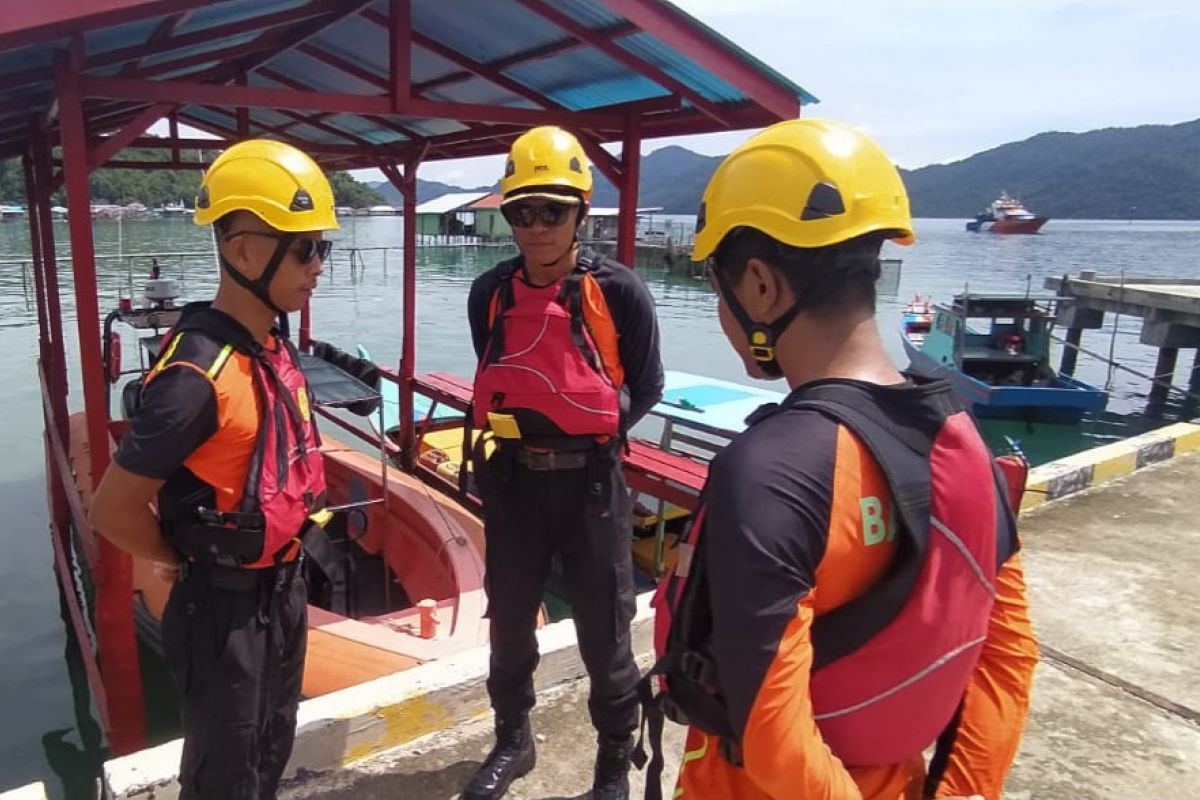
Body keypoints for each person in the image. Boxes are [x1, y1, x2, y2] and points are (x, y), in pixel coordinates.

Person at [639, 119, 1039, 800]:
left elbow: (771, 732)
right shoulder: (964, 441)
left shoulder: (772, 474)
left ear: (760, 286)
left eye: (716, 286)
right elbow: (1005, 656)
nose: (721, 310)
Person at [89, 139, 337, 799]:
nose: (319, 265)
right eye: (307, 246)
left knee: (270, 750)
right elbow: (110, 509)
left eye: (323, 248)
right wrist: (178, 557)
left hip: (281, 590)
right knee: (223, 777)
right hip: (221, 610)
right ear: (247, 250)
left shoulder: (268, 346)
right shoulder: (197, 375)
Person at [462, 126, 664, 800]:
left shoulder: (621, 291)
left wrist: (595, 435)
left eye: (554, 210)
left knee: (607, 636)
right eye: (523, 211)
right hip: (516, 482)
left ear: (581, 210)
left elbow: (648, 386)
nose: (538, 226)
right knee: (511, 622)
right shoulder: (488, 293)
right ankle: (512, 740)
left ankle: (612, 765)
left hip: (593, 487)